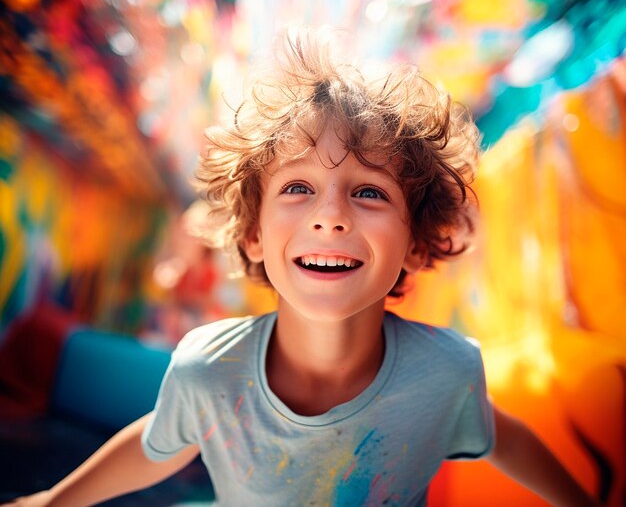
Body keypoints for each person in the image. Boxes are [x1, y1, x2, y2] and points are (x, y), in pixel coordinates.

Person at [8, 27, 597, 506]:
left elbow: (499, 437)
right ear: (255, 234)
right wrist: (55, 501)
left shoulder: (446, 370)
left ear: (416, 245)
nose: (332, 217)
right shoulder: (210, 369)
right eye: (297, 187)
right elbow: (160, 442)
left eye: (369, 193)